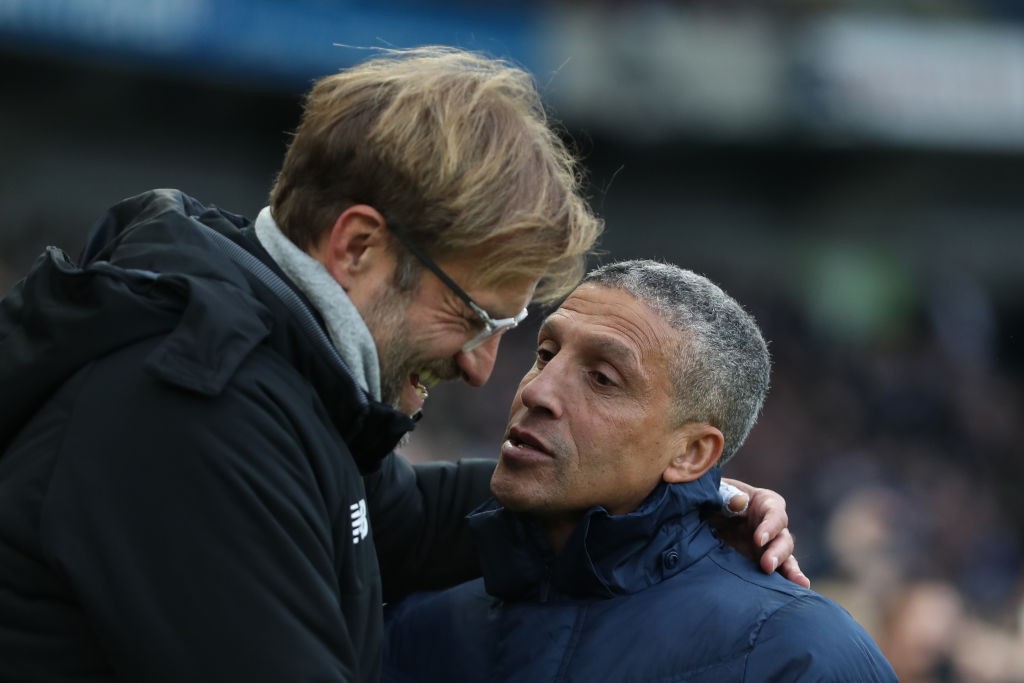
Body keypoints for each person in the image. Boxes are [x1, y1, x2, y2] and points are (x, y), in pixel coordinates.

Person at [0, 48, 801, 682]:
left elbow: (400, 519)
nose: (487, 367)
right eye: (473, 315)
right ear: (358, 248)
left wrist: (671, 498)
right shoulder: (188, 410)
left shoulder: (269, 358)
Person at [383, 260, 897, 682]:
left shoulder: (801, 656)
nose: (537, 391)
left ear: (692, 454)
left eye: (603, 378)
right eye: (545, 354)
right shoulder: (416, 621)